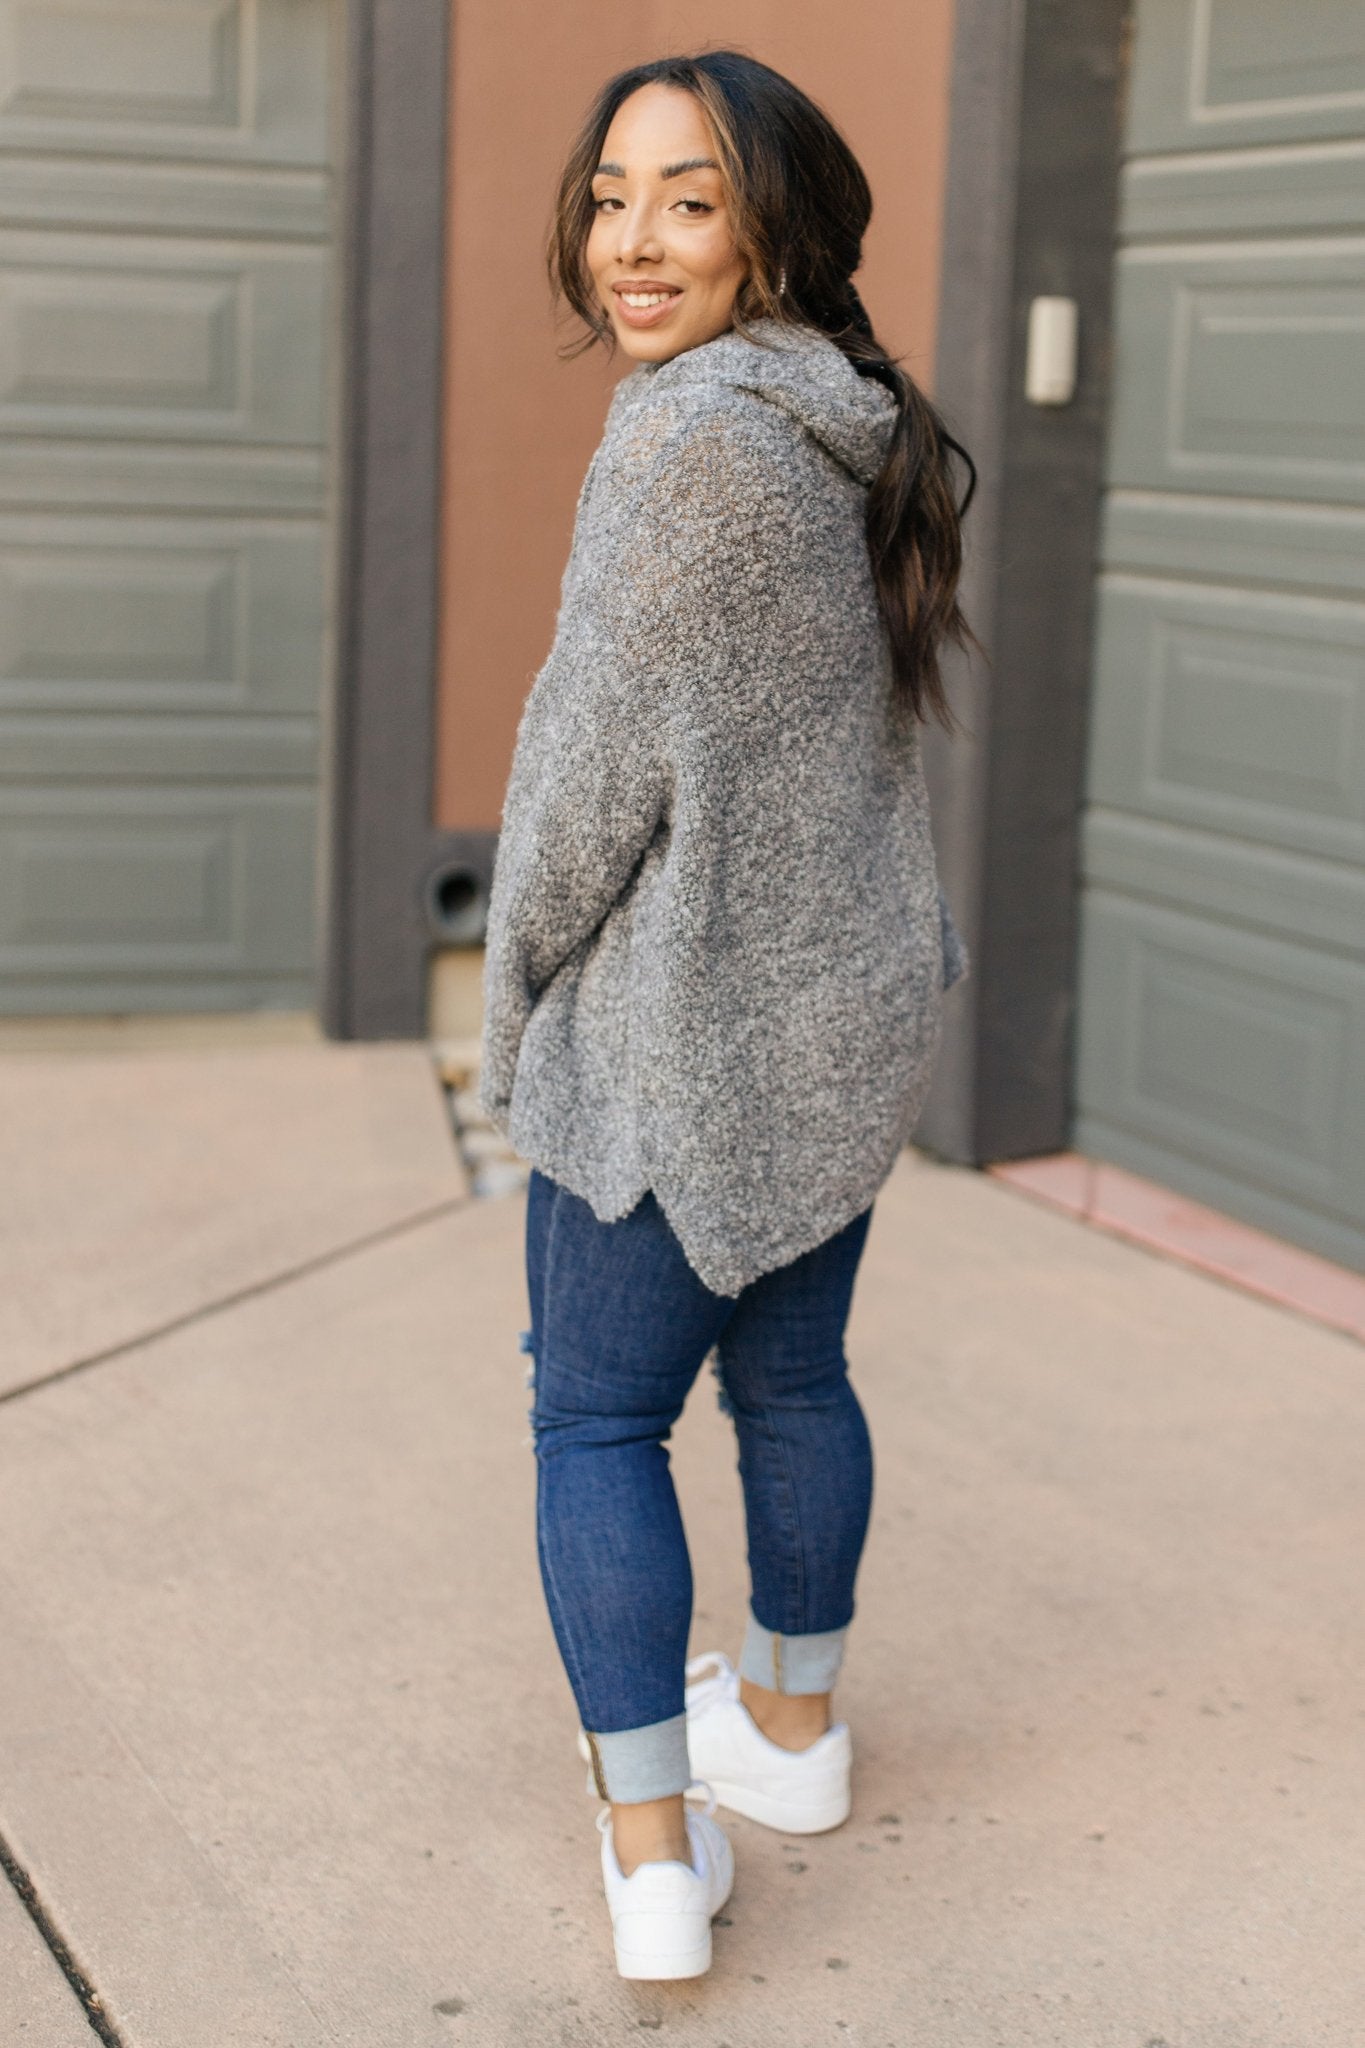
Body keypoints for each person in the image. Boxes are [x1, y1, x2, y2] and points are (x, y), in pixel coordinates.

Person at [479, 48, 977, 1982]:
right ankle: (786, 1735)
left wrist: (514, 988)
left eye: (687, 200)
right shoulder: (840, 414)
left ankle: (652, 1857)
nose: (630, 242)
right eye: (610, 195)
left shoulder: (688, 436)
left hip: (691, 1033)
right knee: (787, 1385)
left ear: (776, 225)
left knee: (597, 1420)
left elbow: (586, 780)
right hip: (837, 1009)